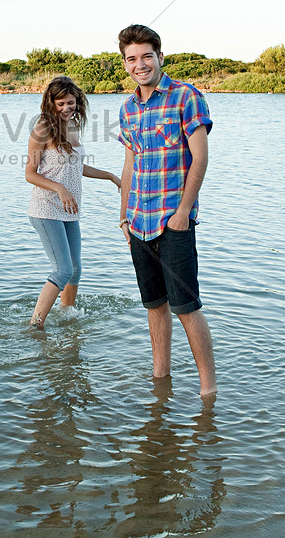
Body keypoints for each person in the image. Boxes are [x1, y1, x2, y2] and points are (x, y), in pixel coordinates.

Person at [117, 24, 217, 397]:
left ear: (160, 56)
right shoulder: (128, 108)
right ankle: (161, 380)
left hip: (173, 221)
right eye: (131, 59)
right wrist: (124, 216)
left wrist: (183, 213)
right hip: (138, 223)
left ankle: (209, 392)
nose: (139, 64)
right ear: (125, 64)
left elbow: (201, 158)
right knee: (154, 306)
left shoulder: (186, 97)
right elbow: (130, 165)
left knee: (186, 307)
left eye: (146, 56)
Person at [24, 76, 121, 328]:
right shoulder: (42, 129)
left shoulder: (73, 126)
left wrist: (110, 176)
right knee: (62, 270)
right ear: (50, 103)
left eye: (71, 103)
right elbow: (30, 174)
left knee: (75, 270)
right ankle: (35, 325)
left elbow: (77, 166)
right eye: (61, 104)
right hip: (45, 209)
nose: (67, 108)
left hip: (69, 210)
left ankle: (67, 316)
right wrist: (59, 188)